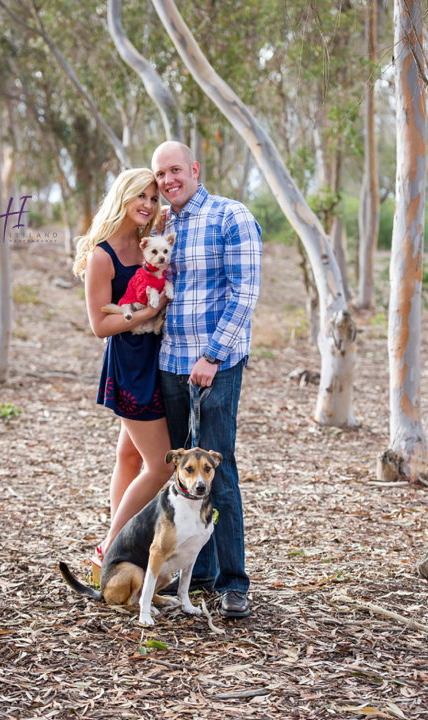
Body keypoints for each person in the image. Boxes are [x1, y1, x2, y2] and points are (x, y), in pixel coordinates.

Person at [152, 141, 262, 618]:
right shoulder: (165, 225)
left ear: (194, 169)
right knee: (185, 477)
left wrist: (213, 355)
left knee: (220, 472)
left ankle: (234, 583)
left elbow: (245, 292)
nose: (168, 180)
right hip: (170, 364)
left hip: (214, 365)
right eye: (161, 175)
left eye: (175, 170)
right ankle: (200, 574)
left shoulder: (229, 216)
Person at [73, 169, 174, 562]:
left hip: (158, 357)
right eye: (141, 197)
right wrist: (149, 311)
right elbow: (100, 326)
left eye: (153, 198)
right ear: (123, 197)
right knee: (160, 465)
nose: (148, 205)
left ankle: (121, 546)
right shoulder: (103, 254)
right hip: (131, 364)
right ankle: (110, 549)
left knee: (130, 458)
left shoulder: (150, 239)